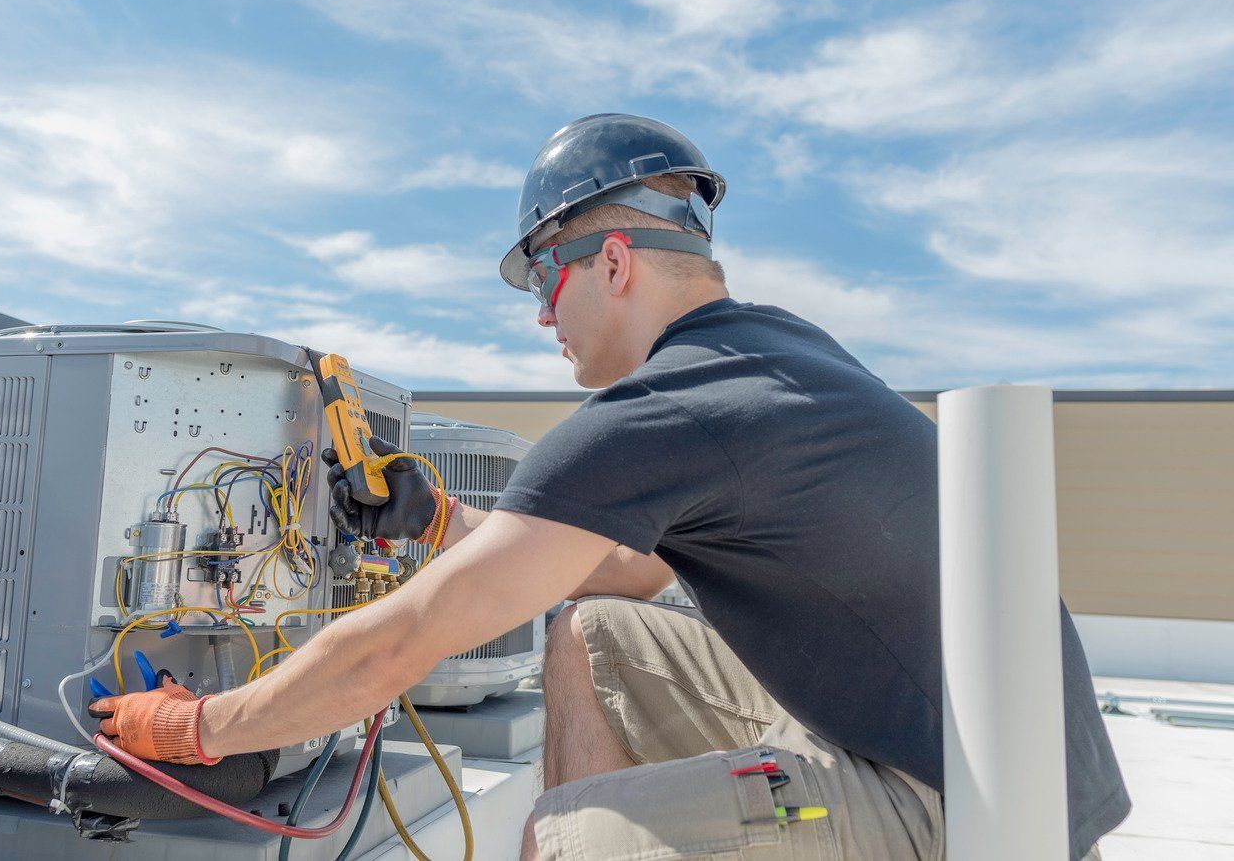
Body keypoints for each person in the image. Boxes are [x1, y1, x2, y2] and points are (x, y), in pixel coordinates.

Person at [91, 114, 1130, 859]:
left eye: (545, 277)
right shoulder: (771, 358)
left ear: (614, 261)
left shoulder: (661, 413)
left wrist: (199, 728)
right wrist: (441, 519)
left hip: (959, 817)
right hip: (1006, 766)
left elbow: (402, 643)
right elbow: (620, 579)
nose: (543, 316)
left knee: (564, 835)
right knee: (587, 633)